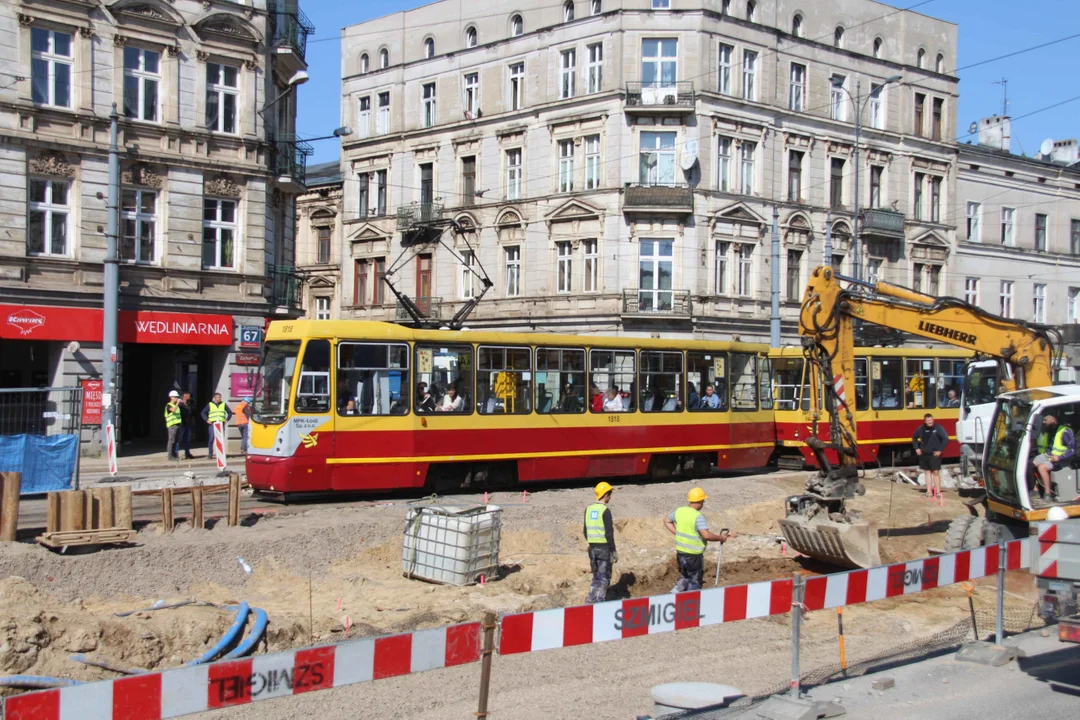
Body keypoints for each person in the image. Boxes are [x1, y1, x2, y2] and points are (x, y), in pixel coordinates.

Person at [664, 488, 730, 592]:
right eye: (703, 501)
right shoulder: (697, 516)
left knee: (684, 576)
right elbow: (706, 535)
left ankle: (674, 595)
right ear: (700, 501)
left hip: (680, 552)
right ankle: (692, 599)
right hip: (693, 555)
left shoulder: (680, 511)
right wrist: (721, 538)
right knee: (694, 580)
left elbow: (667, 520)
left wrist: (677, 533)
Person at [584, 481, 617, 604]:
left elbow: (585, 531)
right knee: (604, 577)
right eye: (609, 494)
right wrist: (613, 550)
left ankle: (590, 599)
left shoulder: (588, 509)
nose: (610, 497)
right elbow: (609, 534)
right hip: (604, 549)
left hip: (592, 549)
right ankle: (599, 602)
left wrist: (593, 543)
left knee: (596, 575)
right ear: (606, 494)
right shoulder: (605, 511)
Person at [1034, 411, 1076, 500]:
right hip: (1050, 456)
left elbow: (1072, 450)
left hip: (1062, 460)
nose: (1043, 422)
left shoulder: (1065, 431)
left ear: (1053, 419)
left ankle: (1048, 494)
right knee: (1030, 463)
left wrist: (1059, 457)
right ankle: (1035, 490)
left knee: (1042, 467)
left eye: (1045, 420)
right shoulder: (1051, 429)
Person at [912, 413, 948, 500]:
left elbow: (945, 438)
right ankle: (929, 492)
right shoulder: (920, 428)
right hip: (924, 454)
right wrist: (916, 448)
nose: (930, 422)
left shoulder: (938, 428)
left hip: (934, 454)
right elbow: (914, 438)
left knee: (936, 472)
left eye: (931, 420)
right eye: (928, 420)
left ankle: (938, 492)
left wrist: (940, 450)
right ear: (925, 421)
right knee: (927, 473)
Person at [202, 392, 233, 457]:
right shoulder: (210, 404)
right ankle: (210, 454)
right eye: (218, 397)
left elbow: (230, 412)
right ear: (214, 398)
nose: (220, 398)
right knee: (211, 439)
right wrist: (207, 420)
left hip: (221, 423)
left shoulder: (223, 404)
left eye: (220, 397)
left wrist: (226, 420)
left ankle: (220, 454)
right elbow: (203, 412)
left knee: (220, 439)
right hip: (213, 423)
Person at [176, 391, 196, 460]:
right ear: (185, 396)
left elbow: (192, 413)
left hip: (188, 424)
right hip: (181, 424)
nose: (190, 397)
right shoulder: (180, 405)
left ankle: (187, 453)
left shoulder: (189, 404)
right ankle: (176, 453)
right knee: (179, 439)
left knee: (187, 440)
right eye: (189, 396)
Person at [165, 390, 182, 460]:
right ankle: (170, 455)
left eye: (177, 397)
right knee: (171, 440)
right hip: (172, 425)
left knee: (176, 441)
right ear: (171, 397)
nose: (176, 398)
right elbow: (173, 410)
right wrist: (178, 403)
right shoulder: (169, 405)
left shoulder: (176, 406)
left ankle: (174, 454)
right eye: (175, 397)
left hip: (177, 425)